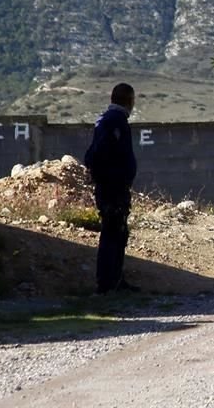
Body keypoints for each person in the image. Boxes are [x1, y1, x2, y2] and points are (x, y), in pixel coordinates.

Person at [84, 83, 139, 294]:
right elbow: (103, 155)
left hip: (111, 187)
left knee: (118, 232)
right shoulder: (115, 122)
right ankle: (108, 283)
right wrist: (114, 180)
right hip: (112, 189)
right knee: (113, 232)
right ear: (128, 100)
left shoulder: (108, 121)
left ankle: (115, 280)